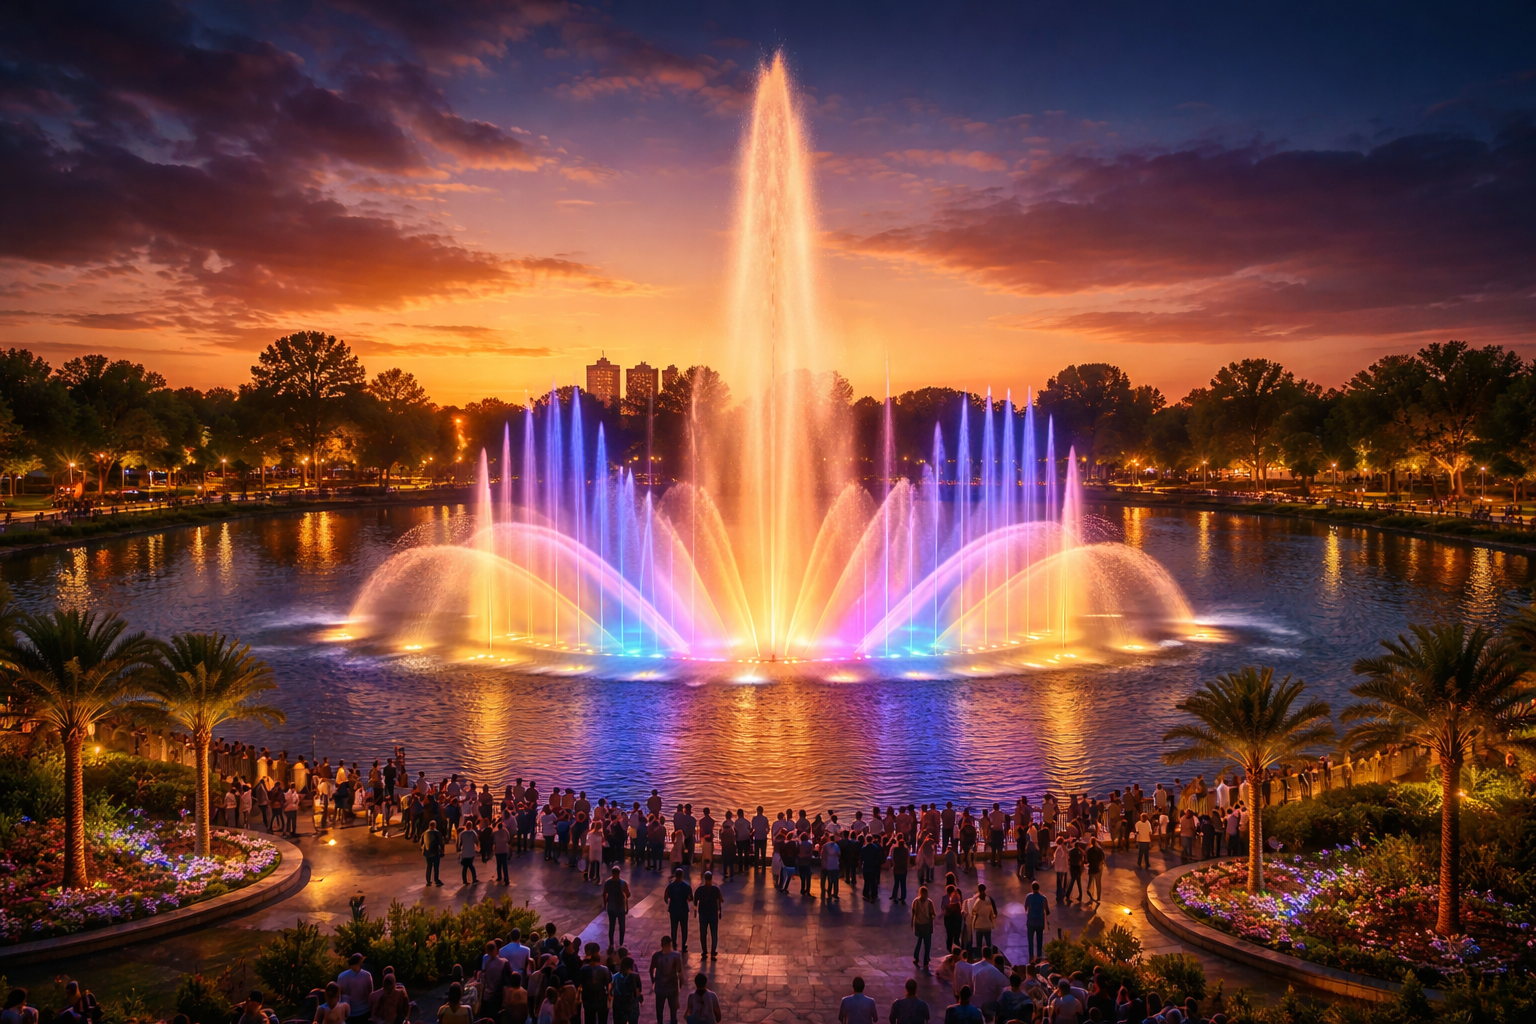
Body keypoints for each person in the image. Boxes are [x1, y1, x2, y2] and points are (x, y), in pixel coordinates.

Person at [649, 937, 683, 1024]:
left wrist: (654, 981)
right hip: (672, 988)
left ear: (661, 945)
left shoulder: (656, 956)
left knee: (659, 1010)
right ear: (670, 944)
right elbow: (679, 972)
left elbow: (651, 970)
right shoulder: (676, 956)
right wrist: (679, 986)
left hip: (660, 987)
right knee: (673, 1011)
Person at [578, 943, 612, 1024]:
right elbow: (609, 985)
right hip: (601, 999)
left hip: (588, 1000)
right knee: (602, 1020)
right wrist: (609, 997)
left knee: (589, 1020)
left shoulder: (583, 969)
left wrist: (579, 996)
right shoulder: (605, 970)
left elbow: (580, 984)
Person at [694, 870, 724, 958]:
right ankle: (713, 952)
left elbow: (695, 902)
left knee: (703, 934)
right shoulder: (716, 889)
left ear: (704, 878)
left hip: (703, 915)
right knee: (714, 934)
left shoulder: (699, 889)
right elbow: (721, 900)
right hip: (713, 914)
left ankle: (704, 952)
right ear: (711, 879)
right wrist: (719, 911)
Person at [337, 953, 374, 1024]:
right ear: (360, 962)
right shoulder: (367, 975)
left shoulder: (341, 976)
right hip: (365, 1011)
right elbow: (370, 994)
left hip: (348, 1012)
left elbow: (339, 995)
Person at [664, 868, 693, 952]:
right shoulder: (687, 886)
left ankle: (674, 943)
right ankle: (684, 945)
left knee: (674, 928)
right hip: (683, 910)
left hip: (673, 909)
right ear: (682, 875)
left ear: (675, 875)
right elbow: (690, 898)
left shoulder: (670, 886)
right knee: (684, 928)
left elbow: (666, 898)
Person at [604, 867, 632, 949]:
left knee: (611, 926)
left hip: (611, 908)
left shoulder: (608, 882)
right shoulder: (623, 883)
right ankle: (621, 944)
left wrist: (605, 904)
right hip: (620, 908)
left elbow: (604, 894)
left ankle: (611, 944)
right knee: (621, 927)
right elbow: (628, 894)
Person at [911, 884, 936, 969]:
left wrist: (912, 924)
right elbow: (933, 915)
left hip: (918, 924)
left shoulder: (915, 902)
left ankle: (916, 957)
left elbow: (913, 914)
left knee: (919, 942)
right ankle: (926, 961)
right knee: (927, 944)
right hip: (927, 925)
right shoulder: (929, 902)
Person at [610, 957, 643, 1024]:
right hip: (632, 1006)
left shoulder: (615, 977)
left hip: (618, 1006)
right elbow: (638, 991)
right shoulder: (635, 976)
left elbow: (611, 992)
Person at [1023, 882, 1049, 963]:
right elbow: (1047, 911)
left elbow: (1025, 907)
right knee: (1039, 940)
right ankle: (1039, 957)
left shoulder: (1029, 896)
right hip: (1040, 922)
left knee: (1030, 940)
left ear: (1032, 888)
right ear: (1039, 888)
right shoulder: (1043, 898)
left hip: (1030, 922)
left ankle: (1031, 957)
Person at [966, 885, 997, 952]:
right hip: (988, 925)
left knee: (979, 944)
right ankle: (990, 956)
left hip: (979, 925)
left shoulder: (976, 901)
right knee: (988, 943)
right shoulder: (989, 900)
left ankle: (980, 957)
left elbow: (973, 912)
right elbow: (994, 913)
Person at [422, 819, 444, 886]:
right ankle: (436, 880)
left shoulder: (424, 833)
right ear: (435, 825)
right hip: (435, 852)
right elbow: (440, 843)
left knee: (429, 866)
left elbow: (421, 843)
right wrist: (442, 851)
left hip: (427, 853)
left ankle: (428, 881)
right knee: (436, 867)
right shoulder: (437, 832)